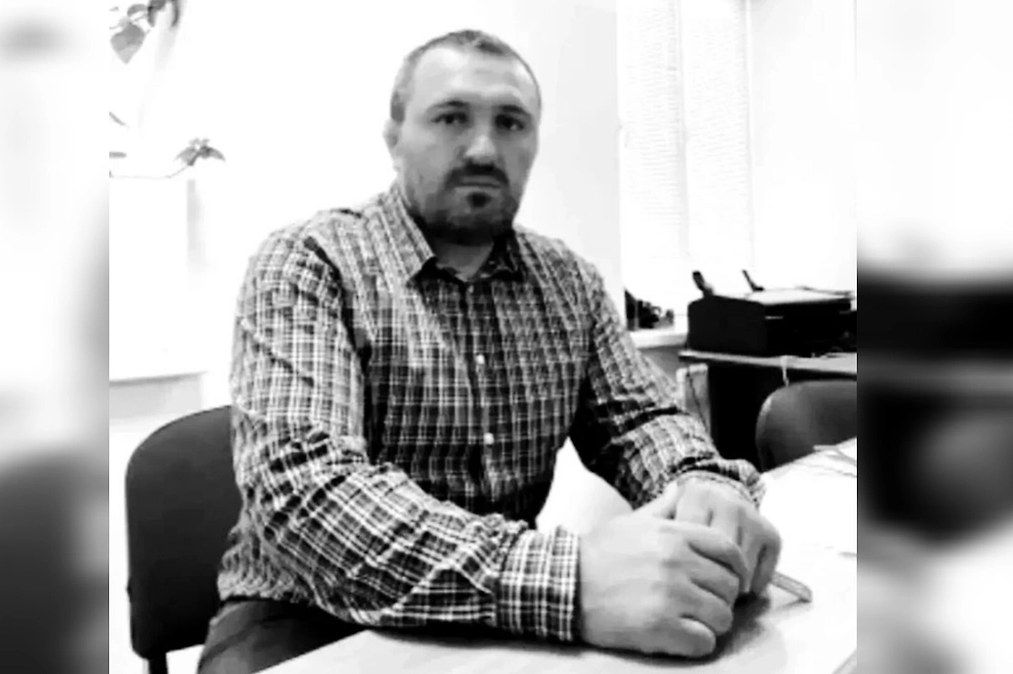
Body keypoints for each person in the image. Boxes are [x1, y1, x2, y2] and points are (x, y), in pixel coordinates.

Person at [198, 29, 781, 674]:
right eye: (451, 117)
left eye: (510, 122)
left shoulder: (569, 283)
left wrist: (700, 486)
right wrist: (570, 581)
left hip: (510, 610)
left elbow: (641, 422)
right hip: (308, 612)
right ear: (393, 138)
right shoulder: (310, 263)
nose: (483, 148)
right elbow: (308, 495)